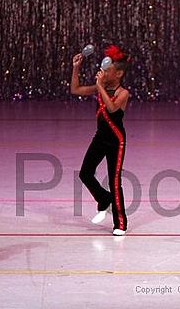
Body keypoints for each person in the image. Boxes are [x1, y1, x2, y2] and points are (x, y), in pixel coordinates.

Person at [70, 45, 130, 236]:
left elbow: (112, 109)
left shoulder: (123, 93)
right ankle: (104, 199)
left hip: (116, 140)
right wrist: (76, 68)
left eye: (107, 70)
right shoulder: (100, 88)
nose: (103, 72)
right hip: (100, 137)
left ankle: (120, 223)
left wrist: (99, 86)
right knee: (85, 173)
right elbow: (75, 89)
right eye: (103, 69)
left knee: (114, 180)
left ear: (118, 73)